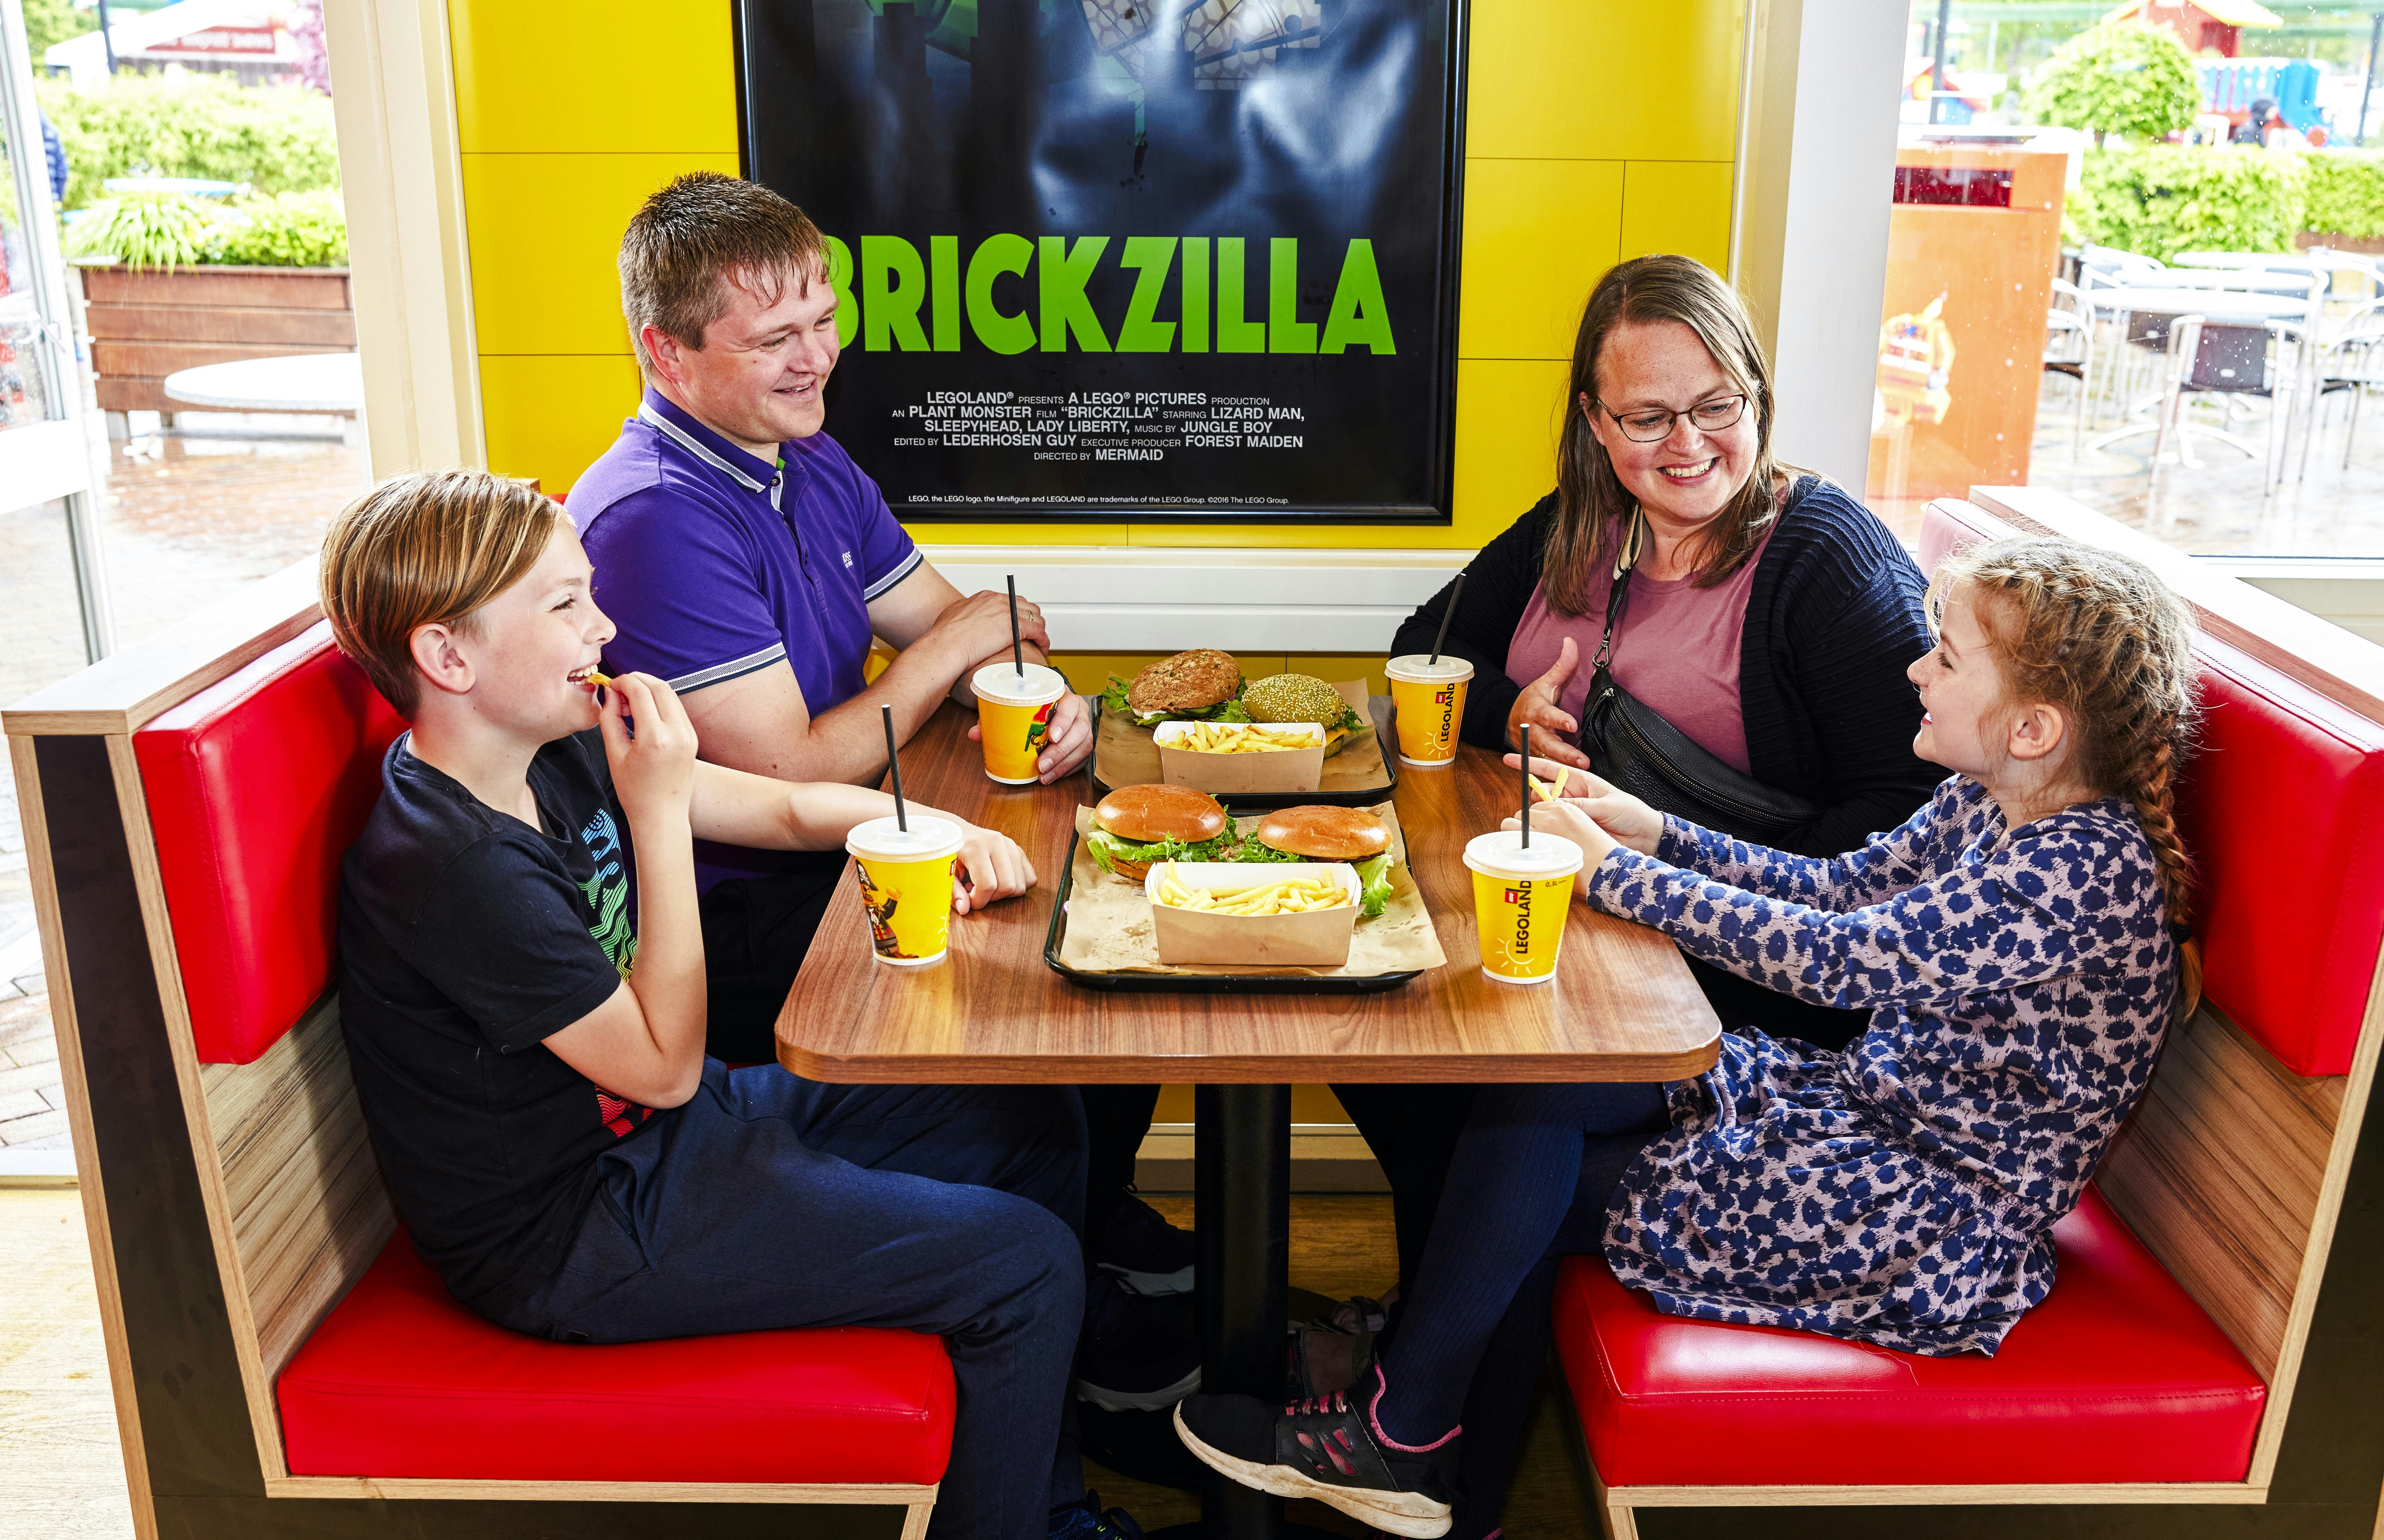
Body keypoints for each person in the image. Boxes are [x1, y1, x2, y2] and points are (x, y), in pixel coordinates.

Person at [1177, 535, 2204, 1538]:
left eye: (1945, 656)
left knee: (1528, 1173)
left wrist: (1612, 874)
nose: (1915, 670)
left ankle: (1406, 1438)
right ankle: (1413, 1439)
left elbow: (1841, 958)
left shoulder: (2082, 872)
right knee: (1540, 1090)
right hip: (1856, 1116)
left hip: (1925, 1214)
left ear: (2032, 728)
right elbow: (1838, 887)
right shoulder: (1989, 801)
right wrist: (1654, 830)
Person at [323, 469, 1139, 1540]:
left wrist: (938, 832)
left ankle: (1038, 1511)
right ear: (448, 656)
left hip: (670, 1135)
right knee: (1022, 1263)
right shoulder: (454, 868)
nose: (603, 627)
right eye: (565, 604)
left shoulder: (551, 747)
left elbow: (788, 807)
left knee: (1033, 1119)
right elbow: (663, 1069)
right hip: (578, 1232)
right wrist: (659, 813)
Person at [563, 175, 1191, 1360]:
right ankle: (1077, 1312)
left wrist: (1044, 702)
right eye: (775, 339)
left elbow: (967, 630)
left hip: (829, 857)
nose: (818, 359)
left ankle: (1086, 1223)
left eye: (824, 320)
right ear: (665, 351)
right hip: (737, 921)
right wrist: (954, 650)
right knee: (1066, 976)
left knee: (1102, 915)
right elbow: (791, 762)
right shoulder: (654, 514)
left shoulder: (804, 458)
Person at [1339, 255, 1942, 1334]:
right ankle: (1431, 1327)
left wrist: (1668, 866)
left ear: (1757, 392)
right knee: (1370, 1031)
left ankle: (1426, 1364)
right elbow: (1426, 644)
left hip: (1746, 972)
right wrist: (1508, 715)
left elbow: (1902, 827)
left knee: (1475, 1078)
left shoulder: (1825, 555)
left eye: (1717, 406)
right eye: (1648, 417)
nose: (1687, 445)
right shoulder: (1578, 522)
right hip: (1572, 918)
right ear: (1595, 421)